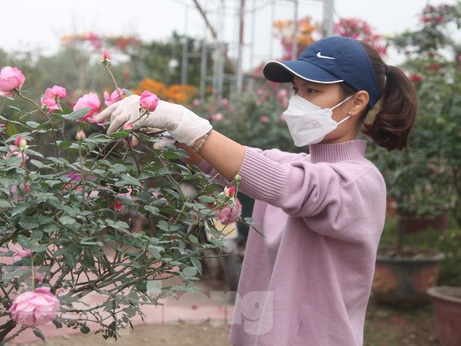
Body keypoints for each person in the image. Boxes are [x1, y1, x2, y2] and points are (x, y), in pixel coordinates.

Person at [95, 36, 418, 346]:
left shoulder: (359, 180)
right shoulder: (293, 164)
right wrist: (167, 130)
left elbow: (286, 185)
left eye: (313, 91)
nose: (299, 101)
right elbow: (222, 165)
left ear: (357, 101)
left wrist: (186, 122)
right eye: (297, 90)